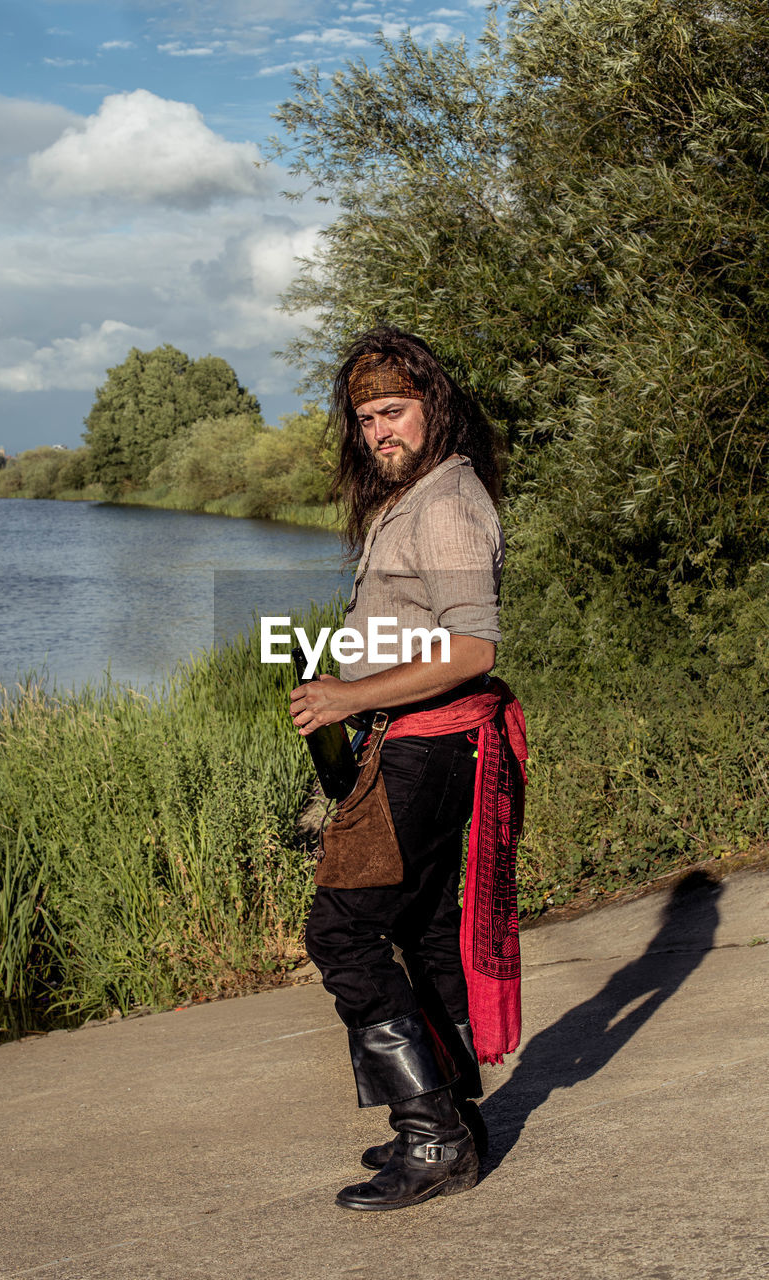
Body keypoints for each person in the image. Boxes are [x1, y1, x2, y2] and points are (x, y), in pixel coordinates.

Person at [289, 326, 526, 1212]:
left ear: (435, 405)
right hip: (410, 741)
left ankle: (432, 1135)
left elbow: (471, 647)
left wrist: (351, 698)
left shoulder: (449, 503)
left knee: (343, 931)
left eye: (393, 412)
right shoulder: (416, 495)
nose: (378, 432)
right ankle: (453, 1116)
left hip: (425, 747)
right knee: (423, 929)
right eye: (365, 419)